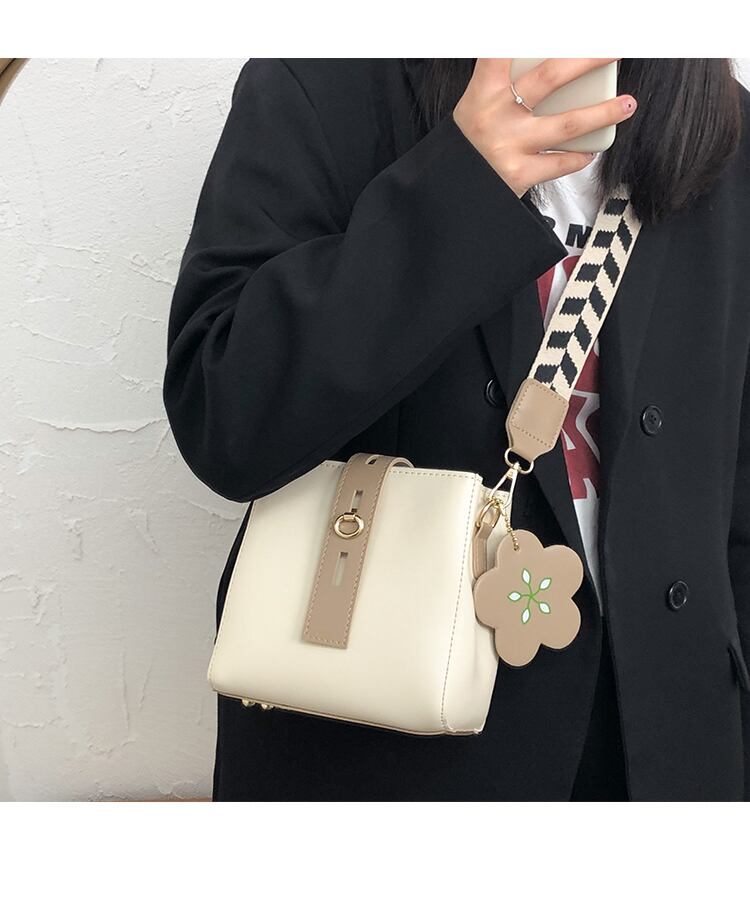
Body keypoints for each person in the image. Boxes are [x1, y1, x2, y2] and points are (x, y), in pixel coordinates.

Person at [163, 59, 750, 801]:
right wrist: (459, 187)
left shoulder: (726, 134)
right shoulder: (328, 78)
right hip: (385, 758)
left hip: (670, 751)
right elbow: (225, 416)